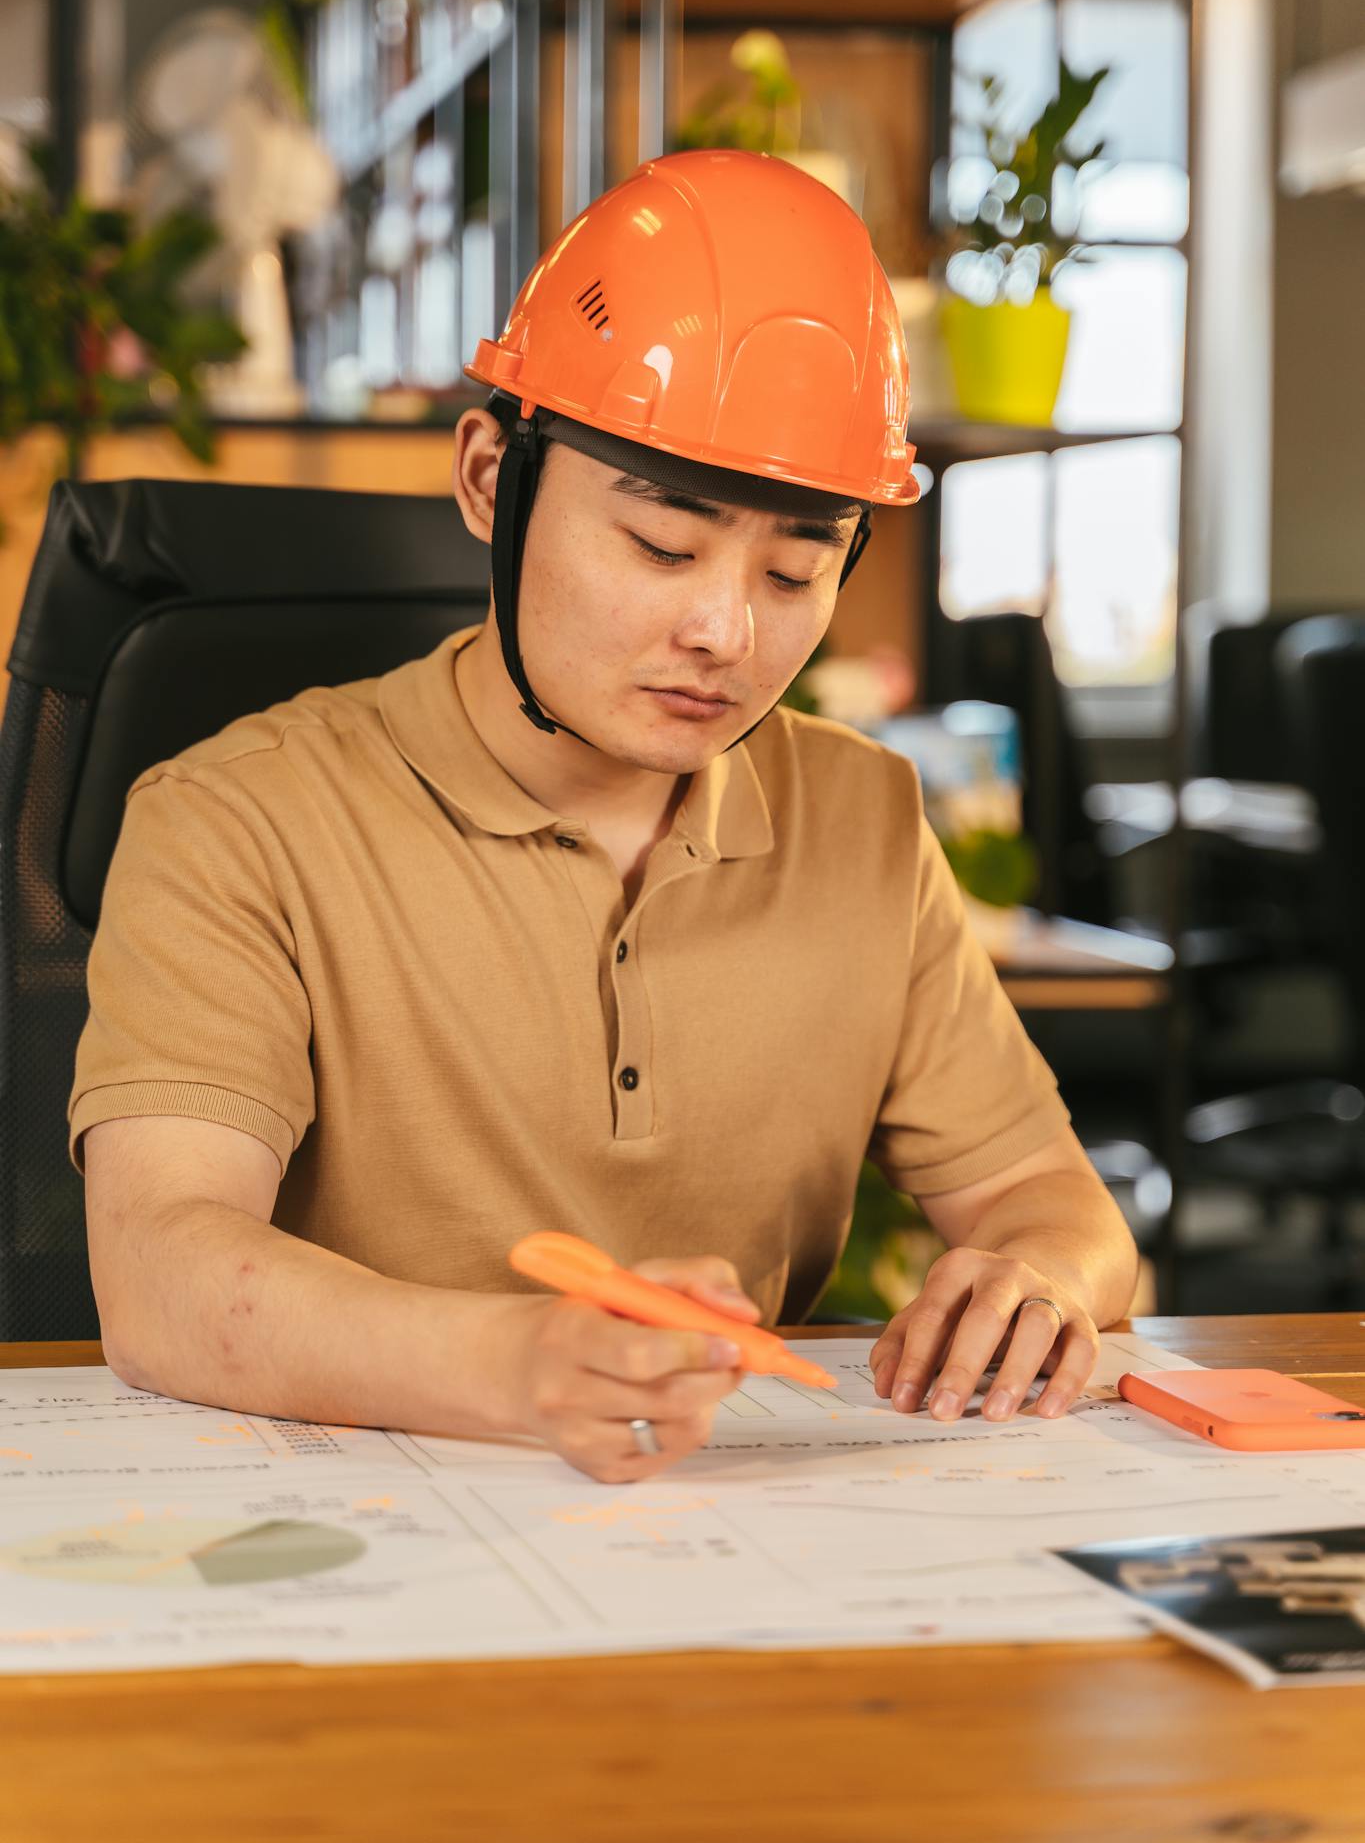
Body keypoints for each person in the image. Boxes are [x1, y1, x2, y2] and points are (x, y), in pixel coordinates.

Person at [71, 151, 1137, 1486]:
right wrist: (516, 1368)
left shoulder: (858, 815)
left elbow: (1059, 1209)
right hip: (345, 1526)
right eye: (660, 547)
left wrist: (1034, 1280)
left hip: (735, 1535)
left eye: (796, 569)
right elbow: (161, 1274)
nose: (724, 632)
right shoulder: (235, 817)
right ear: (485, 480)